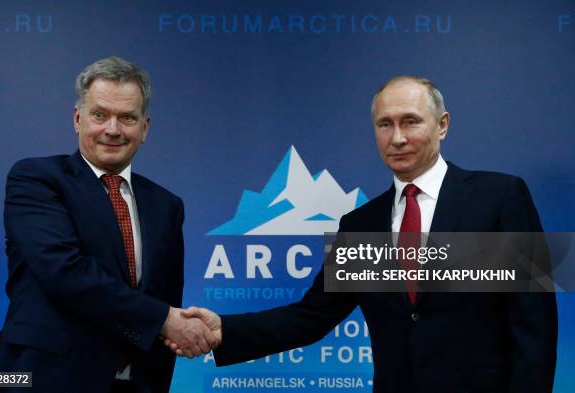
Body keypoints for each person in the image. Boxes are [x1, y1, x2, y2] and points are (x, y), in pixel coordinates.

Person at [172, 76, 558, 393]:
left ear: (442, 124)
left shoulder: (500, 197)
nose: (397, 138)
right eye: (384, 124)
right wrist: (225, 329)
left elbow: (534, 324)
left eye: (410, 121)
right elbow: (310, 317)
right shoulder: (360, 225)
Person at [0, 57, 217, 393]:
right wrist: (166, 320)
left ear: (145, 128)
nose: (113, 129)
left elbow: (164, 293)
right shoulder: (36, 179)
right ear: (78, 119)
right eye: (100, 114)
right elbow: (65, 272)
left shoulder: (166, 206)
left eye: (128, 118)